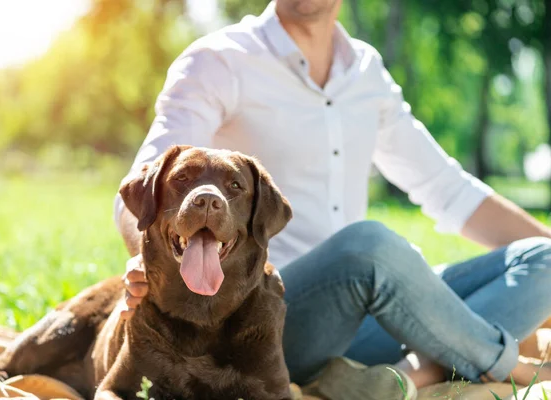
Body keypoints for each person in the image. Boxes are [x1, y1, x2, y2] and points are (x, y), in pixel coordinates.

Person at [113, 1, 551, 399]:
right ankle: (501, 364)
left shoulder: (365, 71)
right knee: (369, 246)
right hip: (262, 320)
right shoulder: (220, 60)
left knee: (545, 259)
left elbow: (449, 190)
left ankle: (412, 376)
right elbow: (148, 182)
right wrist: (147, 260)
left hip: (369, 315)